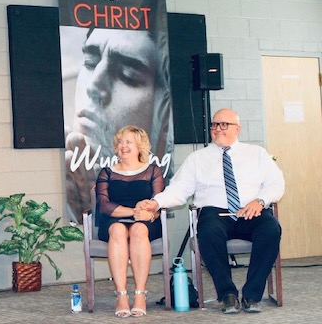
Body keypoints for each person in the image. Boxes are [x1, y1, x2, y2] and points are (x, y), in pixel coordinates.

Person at [138, 108, 285, 314]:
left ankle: (252, 295)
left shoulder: (256, 154)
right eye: (214, 125)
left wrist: (260, 201)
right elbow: (179, 190)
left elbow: (276, 184)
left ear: (237, 129)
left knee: (271, 229)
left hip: (251, 211)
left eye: (223, 125)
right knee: (207, 230)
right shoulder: (198, 158)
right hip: (215, 213)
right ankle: (227, 294)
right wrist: (156, 203)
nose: (217, 129)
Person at [63, 27, 173, 223]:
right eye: (90, 62)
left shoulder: (154, 173)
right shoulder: (83, 171)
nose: (93, 87)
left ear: (161, 106)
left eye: (128, 74)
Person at [94, 125, 164, 318]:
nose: (123, 145)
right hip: (114, 219)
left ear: (140, 146)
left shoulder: (152, 171)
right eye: (120, 141)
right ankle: (122, 295)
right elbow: (104, 205)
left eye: (128, 142)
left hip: (146, 222)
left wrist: (150, 214)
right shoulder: (106, 172)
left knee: (139, 230)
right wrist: (134, 212)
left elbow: (158, 202)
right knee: (117, 230)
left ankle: (140, 294)